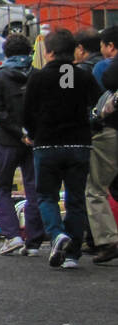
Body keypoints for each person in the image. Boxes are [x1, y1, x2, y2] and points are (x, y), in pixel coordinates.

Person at [23, 29, 102, 269]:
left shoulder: (37, 78)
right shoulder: (84, 76)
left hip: (47, 144)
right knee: (75, 199)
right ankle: (72, 255)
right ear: (74, 51)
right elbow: (99, 104)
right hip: (79, 143)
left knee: (46, 195)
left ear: (49, 52)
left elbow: (26, 113)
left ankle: (57, 234)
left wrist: (33, 134)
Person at [0, 34, 46, 255]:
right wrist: (31, 133)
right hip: (34, 142)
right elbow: (44, 108)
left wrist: (18, 132)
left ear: (6, 54)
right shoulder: (39, 76)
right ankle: (34, 239)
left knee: (2, 188)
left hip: (7, 141)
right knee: (34, 188)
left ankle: (12, 235)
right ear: (29, 52)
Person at [85, 26, 118, 264]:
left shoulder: (98, 68)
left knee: (95, 188)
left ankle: (105, 240)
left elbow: (104, 84)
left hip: (107, 131)